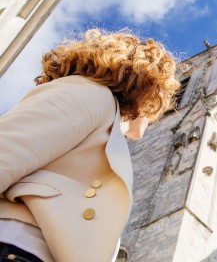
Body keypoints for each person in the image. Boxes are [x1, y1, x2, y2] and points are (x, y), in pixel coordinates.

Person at [0, 29, 180, 262]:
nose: (157, 112)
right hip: (16, 247)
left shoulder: (107, 125)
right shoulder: (92, 95)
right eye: (161, 99)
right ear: (146, 86)